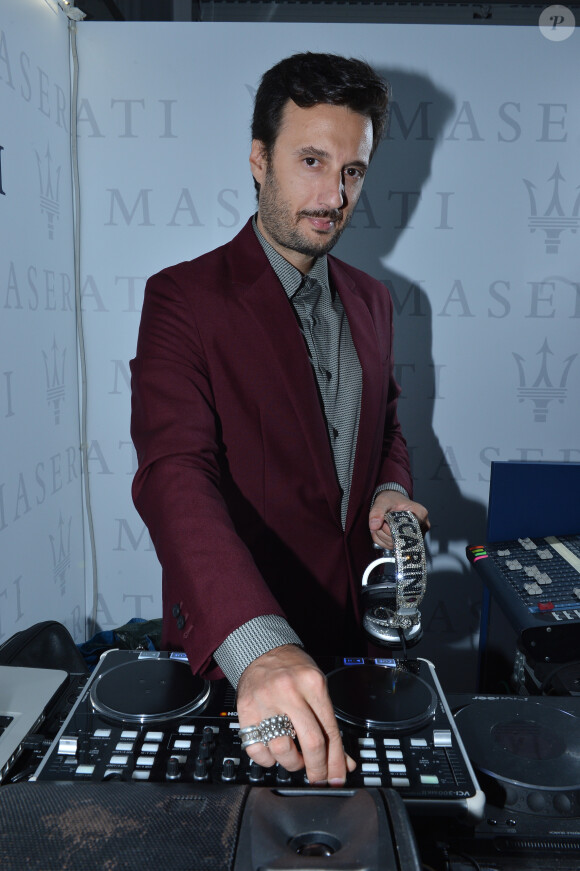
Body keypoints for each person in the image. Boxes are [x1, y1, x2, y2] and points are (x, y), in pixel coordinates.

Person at [130, 52, 429, 788]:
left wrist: (388, 490)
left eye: (352, 170)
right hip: (241, 660)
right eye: (311, 161)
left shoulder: (374, 301)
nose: (333, 194)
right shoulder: (181, 299)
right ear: (260, 160)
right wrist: (257, 644)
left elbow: (385, 423)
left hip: (351, 648)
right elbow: (175, 475)